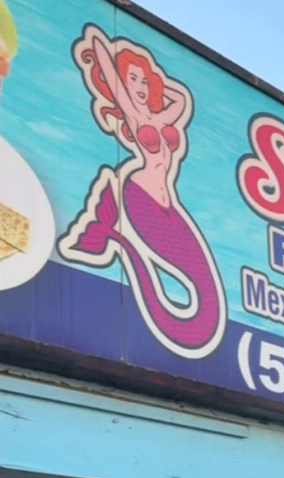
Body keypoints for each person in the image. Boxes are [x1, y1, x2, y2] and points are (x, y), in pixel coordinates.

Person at [59, 26, 227, 359]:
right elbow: (115, 84)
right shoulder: (135, 116)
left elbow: (179, 99)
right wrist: (103, 52)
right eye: (132, 79)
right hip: (141, 198)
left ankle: (111, 236)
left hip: (170, 209)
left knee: (208, 305)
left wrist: (156, 92)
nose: (138, 87)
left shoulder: (159, 116)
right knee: (201, 314)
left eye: (143, 80)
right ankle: (115, 237)